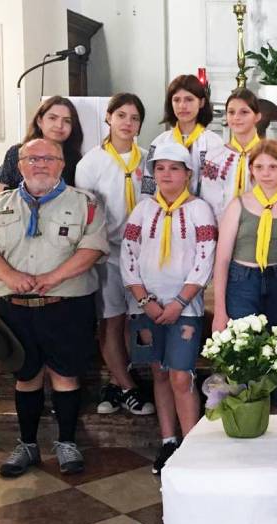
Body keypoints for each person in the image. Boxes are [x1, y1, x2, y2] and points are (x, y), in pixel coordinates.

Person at [0, 138, 108, 478]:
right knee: (25, 376)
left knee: (65, 375)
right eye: (32, 158)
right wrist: (11, 276)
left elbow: (92, 248)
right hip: (14, 308)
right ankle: (27, 445)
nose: (40, 164)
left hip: (66, 306)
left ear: (62, 164)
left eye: (49, 158)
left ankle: (66, 444)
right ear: (19, 166)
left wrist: (52, 277)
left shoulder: (84, 203)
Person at [121, 142, 218, 474]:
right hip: (146, 306)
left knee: (180, 375)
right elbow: (128, 255)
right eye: (160, 168)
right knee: (159, 373)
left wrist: (179, 302)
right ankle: (168, 441)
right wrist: (145, 300)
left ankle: (191, 446)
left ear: (188, 173)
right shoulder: (143, 210)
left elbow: (205, 259)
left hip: (184, 308)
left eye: (174, 168)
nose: (166, 174)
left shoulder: (199, 210)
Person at [212, 139, 277, 409]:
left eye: (273, 166)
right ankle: (246, 412)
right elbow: (221, 260)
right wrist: (220, 311)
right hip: (243, 281)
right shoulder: (238, 206)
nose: (266, 172)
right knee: (243, 351)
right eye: (259, 166)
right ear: (251, 170)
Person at [75, 93, 156, 417]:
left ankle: (119, 381)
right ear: (108, 117)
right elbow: (85, 213)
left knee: (137, 320)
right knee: (111, 321)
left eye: (134, 118)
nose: (127, 123)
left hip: (143, 255)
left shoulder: (148, 159)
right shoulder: (91, 162)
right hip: (108, 253)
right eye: (121, 115)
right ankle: (129, 387)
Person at [142, 74, 230, 217]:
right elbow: (148, 186)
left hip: (203, 216)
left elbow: (218, 188)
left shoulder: (214, 142)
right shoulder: (159, 142)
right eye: (176, 100)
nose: (182, 106)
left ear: (201, 102)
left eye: (189, 99)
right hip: (165, 214)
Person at [0, 96, 84, 192]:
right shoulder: (16, 153)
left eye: (67, 121)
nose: (59, 125)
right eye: (53, 118)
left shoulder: (76, 160)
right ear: (39, 121)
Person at [219, 88, 264, 205]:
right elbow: (211, 197)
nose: (236, 118)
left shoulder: (269, 155)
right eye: (231, 112)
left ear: (257, 116)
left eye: (244, 112)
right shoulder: (215, 156)